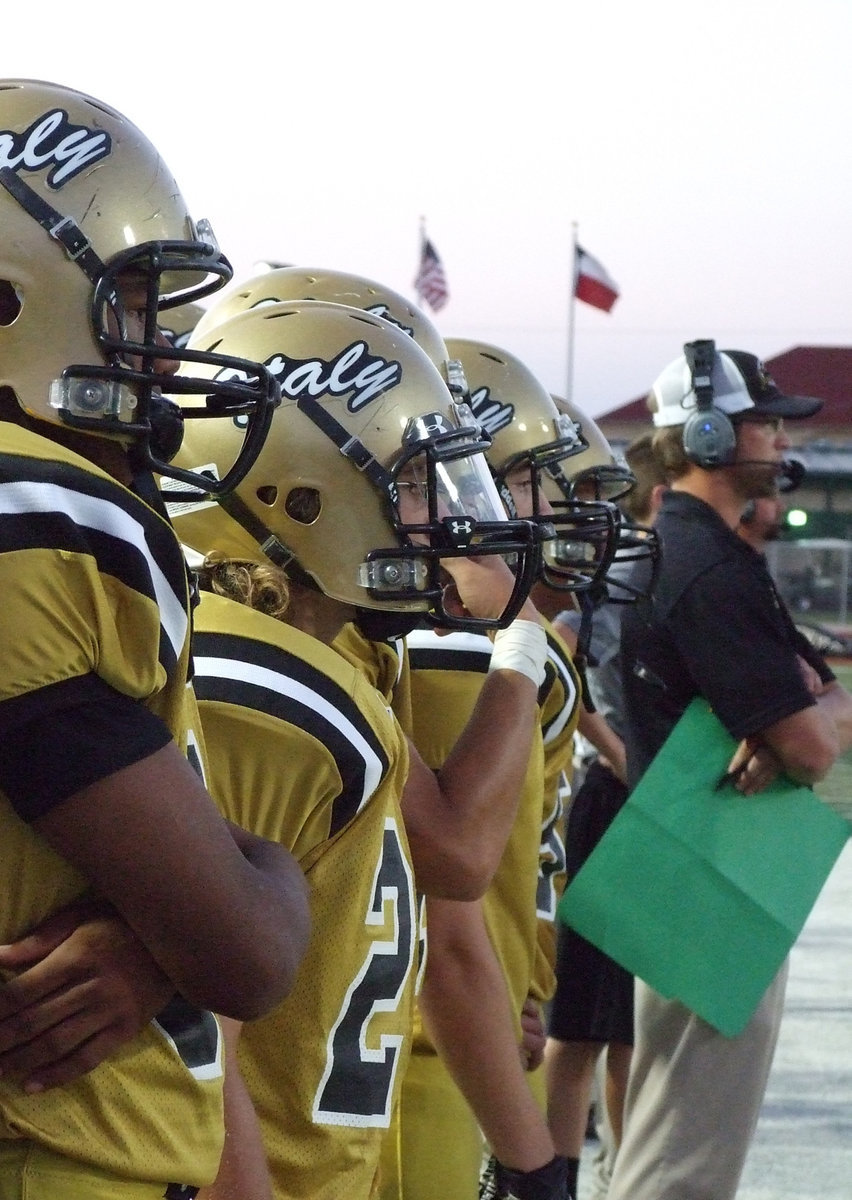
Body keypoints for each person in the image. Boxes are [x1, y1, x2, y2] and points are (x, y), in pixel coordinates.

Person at [0, 77, 310, 1199]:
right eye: (137, 303)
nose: (163, 348)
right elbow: (246, 955)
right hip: (30, 1150)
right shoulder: (15, 507)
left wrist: (177, 923)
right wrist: (256, 883)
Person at [166, 298, 552, 1200]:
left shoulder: (336, 657)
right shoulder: (252, 683)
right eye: (415, 485)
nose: (443, 520)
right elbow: (201, 1034)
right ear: (305, 489)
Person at [381, 339, 627, 1200]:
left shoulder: (509, 631)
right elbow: (449, 898)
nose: (555, 508)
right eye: (535, 477)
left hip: (471, 1031)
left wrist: (518, 979)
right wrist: (487, 983)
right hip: (424, 1056)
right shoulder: (456, 637)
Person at [607, 341, 852, 1200]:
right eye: (764, 425)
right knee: (685, 1158)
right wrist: (806, 715)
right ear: (706, 435)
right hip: (706, 875)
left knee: (675, 1132)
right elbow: (815, 743)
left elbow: (815, 699)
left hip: (693, 865)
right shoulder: (707, 564)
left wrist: (806, 707)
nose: (782, 442)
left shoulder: (700, 548)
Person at [545, 430, 668, 1200]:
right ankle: (558, 1176)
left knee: (623, 1023)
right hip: (614, 798)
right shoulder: (631, 569)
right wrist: (622, 752)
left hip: (637, 798)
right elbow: (563, 642)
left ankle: (623, 1170)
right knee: (588, 1021)